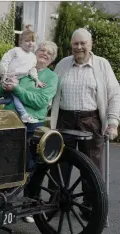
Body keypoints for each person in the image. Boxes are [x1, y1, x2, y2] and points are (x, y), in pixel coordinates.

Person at [50, 28, 120, 219]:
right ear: (71, 45)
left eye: (83, 43)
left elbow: (114, 94)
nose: (79, 47)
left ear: (91, 45)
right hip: (64, 119)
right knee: (59, 162)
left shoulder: (102, 65)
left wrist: (113, 122)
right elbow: (50, 92)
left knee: (92, 166)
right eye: (75, 44)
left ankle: (90, 207)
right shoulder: (63, 64)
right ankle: (55, 203)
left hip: (91, 120)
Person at [0, 40, 59, 223]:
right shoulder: (24, 67)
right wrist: (4, 84)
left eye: (49, 53)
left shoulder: (51, 77)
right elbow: (1, 88)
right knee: (5, 163)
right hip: (9, 121)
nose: (45, 54)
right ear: (35, 52)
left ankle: (28, 207)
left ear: (52, 60)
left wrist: (17, 88)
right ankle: (4, 206)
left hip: (33, 124)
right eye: (42, 49)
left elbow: (40, 102)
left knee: (30, 166)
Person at [0, 25, 46, 123]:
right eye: (27, 41)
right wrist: (4, 74)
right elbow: (5, 60)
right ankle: (23, 114)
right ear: (21, 42)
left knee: (13, 97)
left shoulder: (32, 57)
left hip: (19, 79)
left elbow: (32, 69)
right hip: (9, 76)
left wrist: (36, 79)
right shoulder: (16, 51)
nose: (30, 43)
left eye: (32, 41)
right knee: (15, 96)